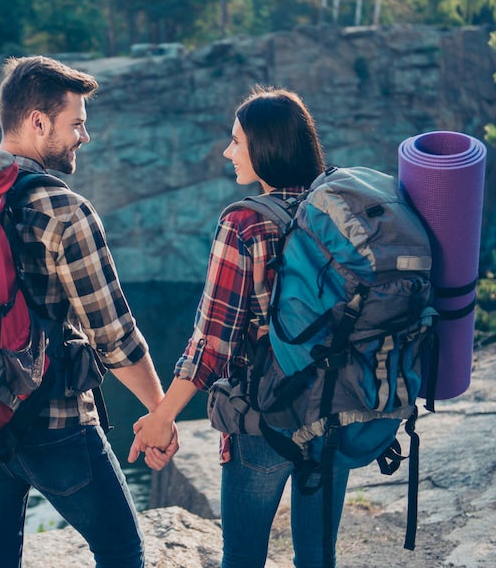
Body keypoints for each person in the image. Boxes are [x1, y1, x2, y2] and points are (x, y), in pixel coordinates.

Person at [0, 55, 177, 568]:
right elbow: (114, 337)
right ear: (38, 123)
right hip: (54, 423)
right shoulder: (64, 211)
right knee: (120, 550)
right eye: (76, 124)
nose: (84, 137)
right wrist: (159, 414)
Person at [129, 86, 349, 568]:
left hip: (263, 420)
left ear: (266, 146)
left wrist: (162, 418)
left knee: (243, 558)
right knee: (318, 559)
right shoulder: (338, 209)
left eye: (236, 141)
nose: (228, 152)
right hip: (336, 408)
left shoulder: (246, 223)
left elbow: (213, 342)